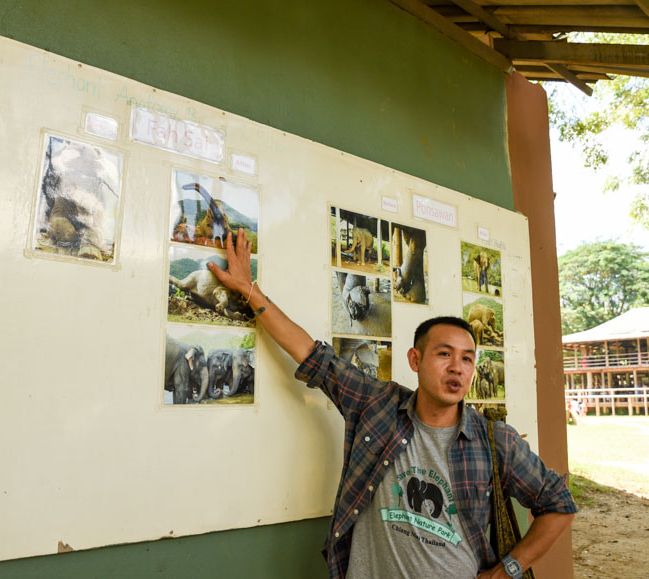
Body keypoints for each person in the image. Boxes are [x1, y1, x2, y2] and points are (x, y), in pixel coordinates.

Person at [210, 229, 577, 579]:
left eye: (467, 359)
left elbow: (559, 503)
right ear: (415, 360)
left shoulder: (495, 441)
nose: (457, 368)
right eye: (444, 354)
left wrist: (509, 568)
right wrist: (248, 289)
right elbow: (310, 353)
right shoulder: (377, 405)